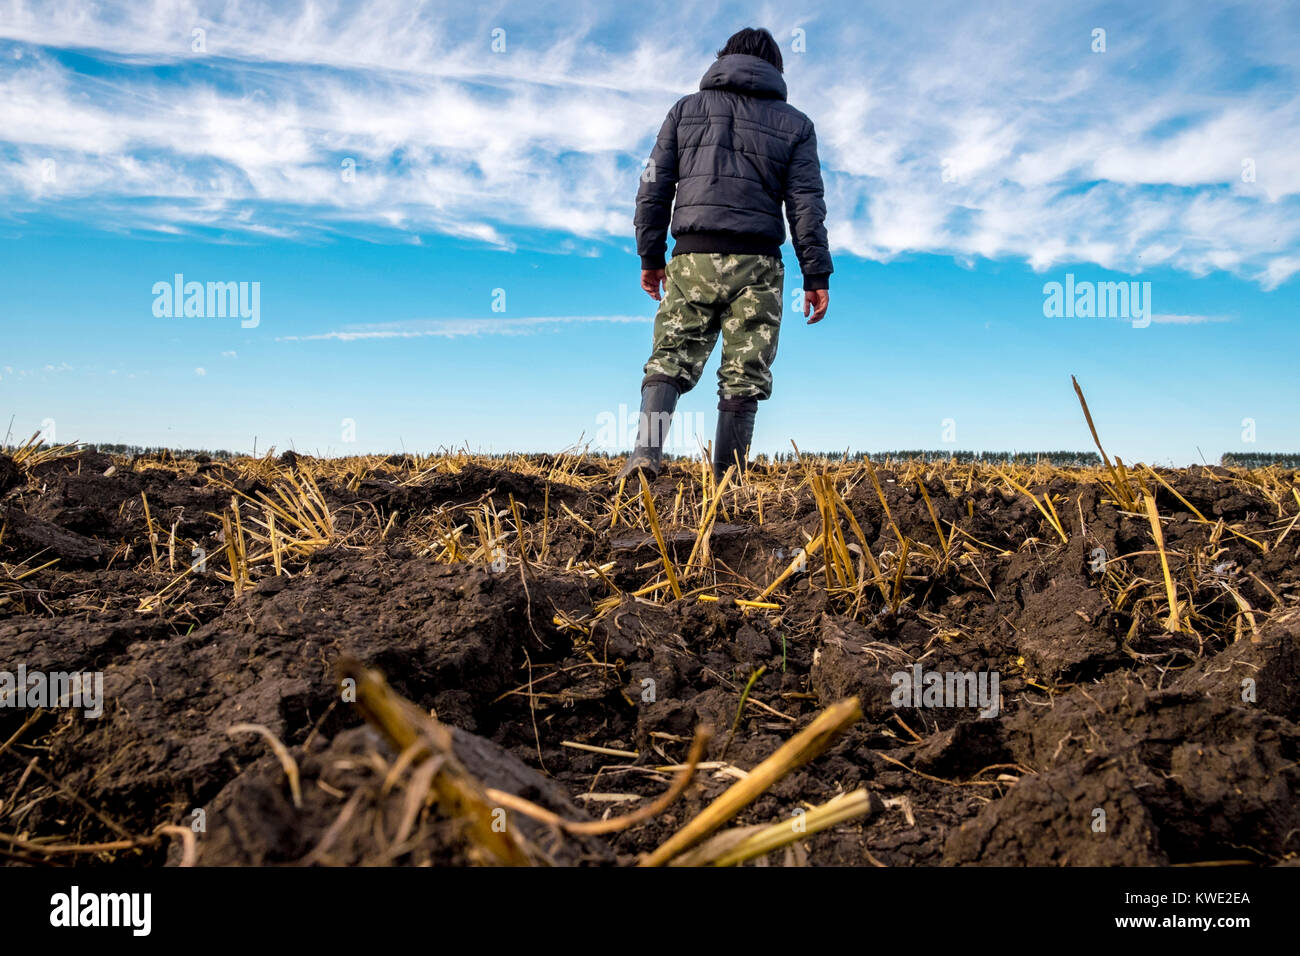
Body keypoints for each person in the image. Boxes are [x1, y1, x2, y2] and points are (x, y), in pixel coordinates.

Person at [619, 26, 832, 483]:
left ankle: (644, 456)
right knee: (744, 372)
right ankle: (727, 483)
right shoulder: (796, 125)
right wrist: (816, 276)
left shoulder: (684, 112)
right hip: (757, 265)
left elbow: (652, 189)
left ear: (723, 59)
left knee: (670, 357)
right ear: (775, 69)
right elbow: (806, 206)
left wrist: (650, 256)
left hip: (693, 256)